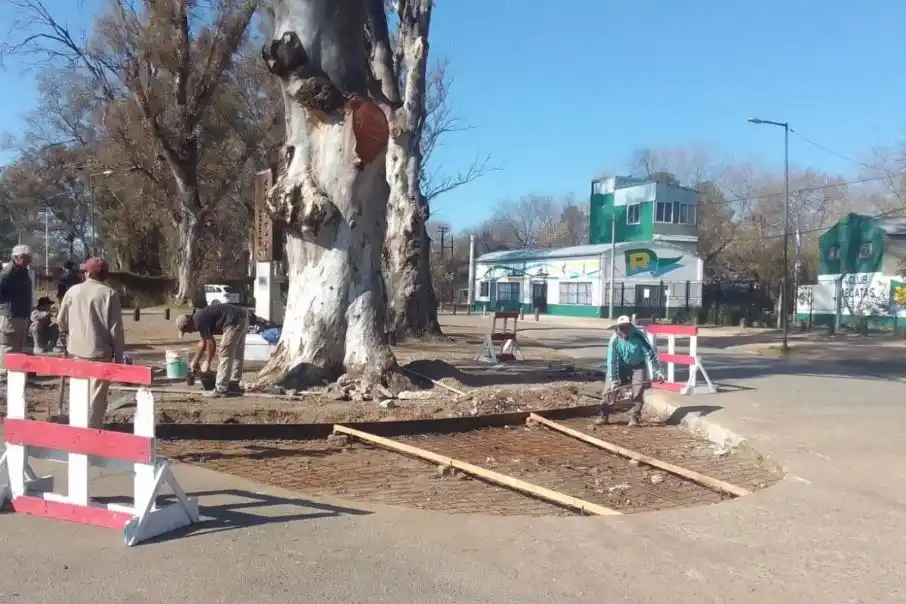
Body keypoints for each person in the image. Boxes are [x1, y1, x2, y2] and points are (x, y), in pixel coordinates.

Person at [57, 257, 126, 428]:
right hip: (100, 354)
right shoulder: (109, 294)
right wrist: (119, 357)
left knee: (79, 395)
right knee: (95, 399)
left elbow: (61, 321)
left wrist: (68, 334)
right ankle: (92, 432)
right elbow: (116, 330)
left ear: (87, 273)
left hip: (77, 352)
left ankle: (78, 431)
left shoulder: (72, 291)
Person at [596, 315, 665, 427]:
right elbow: (612, 362)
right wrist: (614, 380)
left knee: (638, 390)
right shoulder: (614, 340)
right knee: (609, 389)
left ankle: (634, 416)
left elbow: (651, 353)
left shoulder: (638, 336)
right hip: (620, 366)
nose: (624, 330)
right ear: (617, 328)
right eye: (621, 328)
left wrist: (658, 371)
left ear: (630, 326)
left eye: (626, 327)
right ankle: (604, 415)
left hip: (638, 366)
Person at [176, 303, 249, 398]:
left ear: (187, 324)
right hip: (243, 317)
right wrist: (195, 361)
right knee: (236, 354)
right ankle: (234, 384)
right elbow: (203, 342)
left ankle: (221, 389)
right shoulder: (199, 318)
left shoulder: (198, 321)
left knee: (225, 353)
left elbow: (211, 343)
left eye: (186, 330)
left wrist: (207, 362)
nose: (189, 332)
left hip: (233, 321)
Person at [0, 245, 34, 382]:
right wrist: (7, 304)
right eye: (26, 258)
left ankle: (12, 375)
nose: (28, 261)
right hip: (10, 316)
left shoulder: (23, 272)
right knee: (7, 347)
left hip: (21, 315)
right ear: (17, 257)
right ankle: (3, 376)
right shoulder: (7, 273)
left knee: (18, 347)